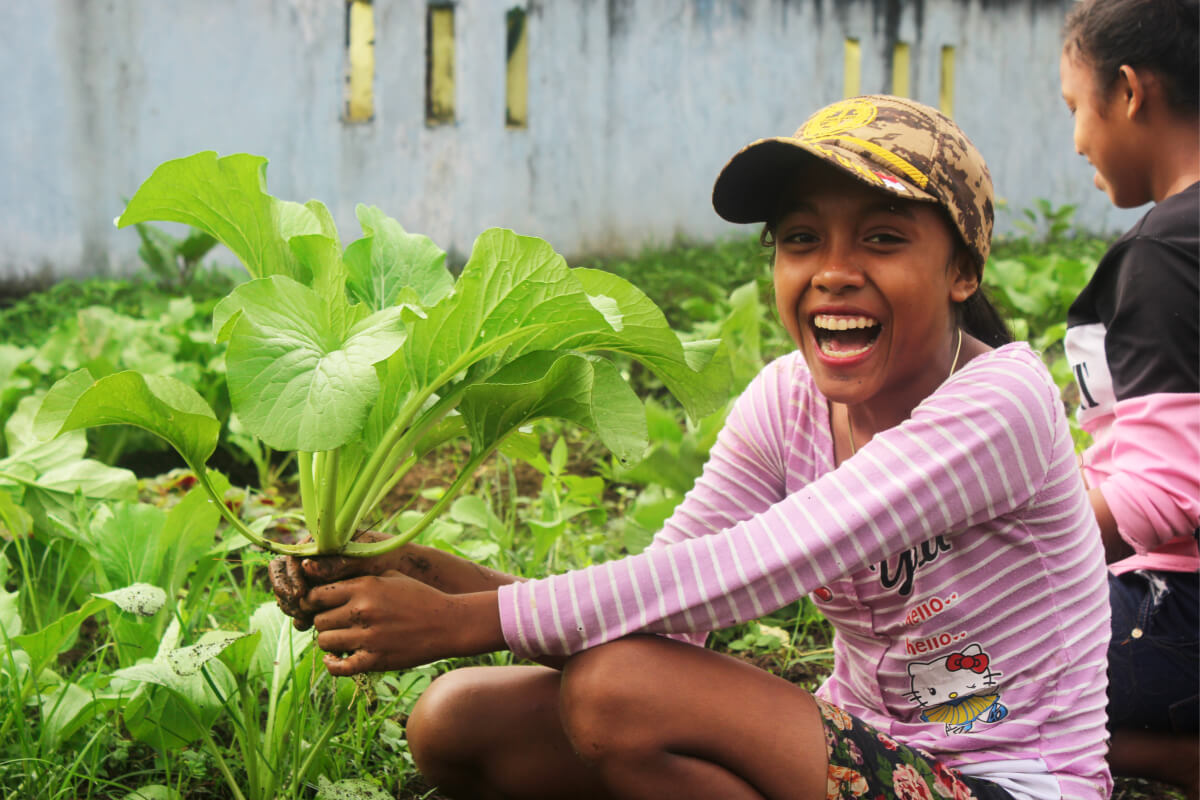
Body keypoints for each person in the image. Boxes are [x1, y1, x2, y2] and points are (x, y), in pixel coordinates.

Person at [271, 95, 1112, 800]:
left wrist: (469, 620)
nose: (832, 271)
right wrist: (444, 580)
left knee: (618, 694)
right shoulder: (785, 403)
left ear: (963, 271)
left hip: (1013, 779)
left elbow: (761, 561)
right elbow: (672, 600)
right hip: (867, 742)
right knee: (456, 722)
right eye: (799, 239)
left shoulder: (1002, 400)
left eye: (883, 239)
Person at [1059, 1, 1200, 797]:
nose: (1078, 138)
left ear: (1129, 91)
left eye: (1078, 107)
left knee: (940, 678)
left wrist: (1015, 549)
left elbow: (1164, 496)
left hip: (1178, 613)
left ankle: (1175, 756)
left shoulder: (1166, 251)